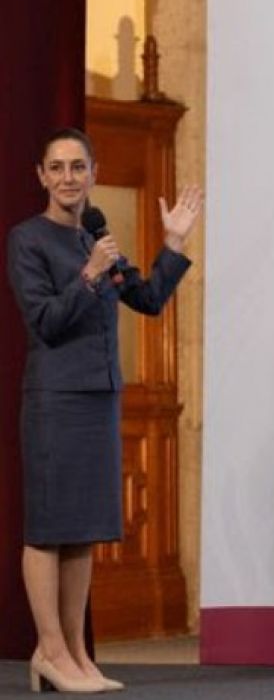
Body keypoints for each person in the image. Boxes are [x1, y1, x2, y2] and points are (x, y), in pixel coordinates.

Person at [6, 127, 201, 694]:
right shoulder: (28, 240)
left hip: (98, 399)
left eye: (78, 167)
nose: (68, 178)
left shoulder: (97, 234)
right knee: (49, 529)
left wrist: (174, 243)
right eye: (57, 168)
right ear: (41, 176)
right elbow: (44, 321)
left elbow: (148, 299)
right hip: (55, 401)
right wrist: (90, 274)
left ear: (94, 173)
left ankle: (75, 654)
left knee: (82, 530)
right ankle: (49, 650)